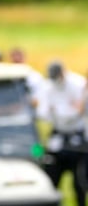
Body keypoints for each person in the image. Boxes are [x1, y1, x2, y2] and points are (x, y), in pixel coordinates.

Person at [38, 60, 87, 206]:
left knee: (80, 182)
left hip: (78, 139)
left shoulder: (78, 84)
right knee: (51, 177)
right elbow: (44, 112)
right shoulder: (48, 87)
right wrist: (68, 111)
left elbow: (78, 112)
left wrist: (61, 111)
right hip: (57, 137)